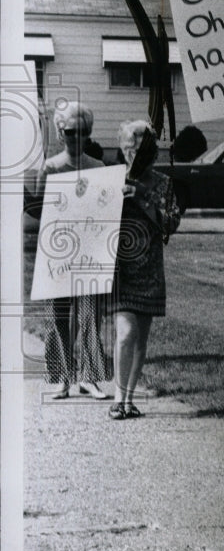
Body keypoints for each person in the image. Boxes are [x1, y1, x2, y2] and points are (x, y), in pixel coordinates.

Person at [36, 101, 112, 399]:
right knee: (60, 316)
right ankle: (63, 378)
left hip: (91, 252)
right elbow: (41, 210)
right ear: (60, 132)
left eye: (81, 132)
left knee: (90, 317)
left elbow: (105, 211)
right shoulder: (51, 167)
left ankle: (90, 378)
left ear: (88, 132)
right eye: (69, 132)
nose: (75, 137)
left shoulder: (99, 167)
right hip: (58, 252)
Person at [109, 120, 180, 420]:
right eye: (128, 150)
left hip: (149, 268)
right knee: (126, 332)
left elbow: (170, 223)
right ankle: (117, 398)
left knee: (141, 338)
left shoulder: (162, 183)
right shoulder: (109, 180)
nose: (133, 155)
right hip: (120, 269)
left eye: (139, 151)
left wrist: (141, 197)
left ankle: (128, 399)